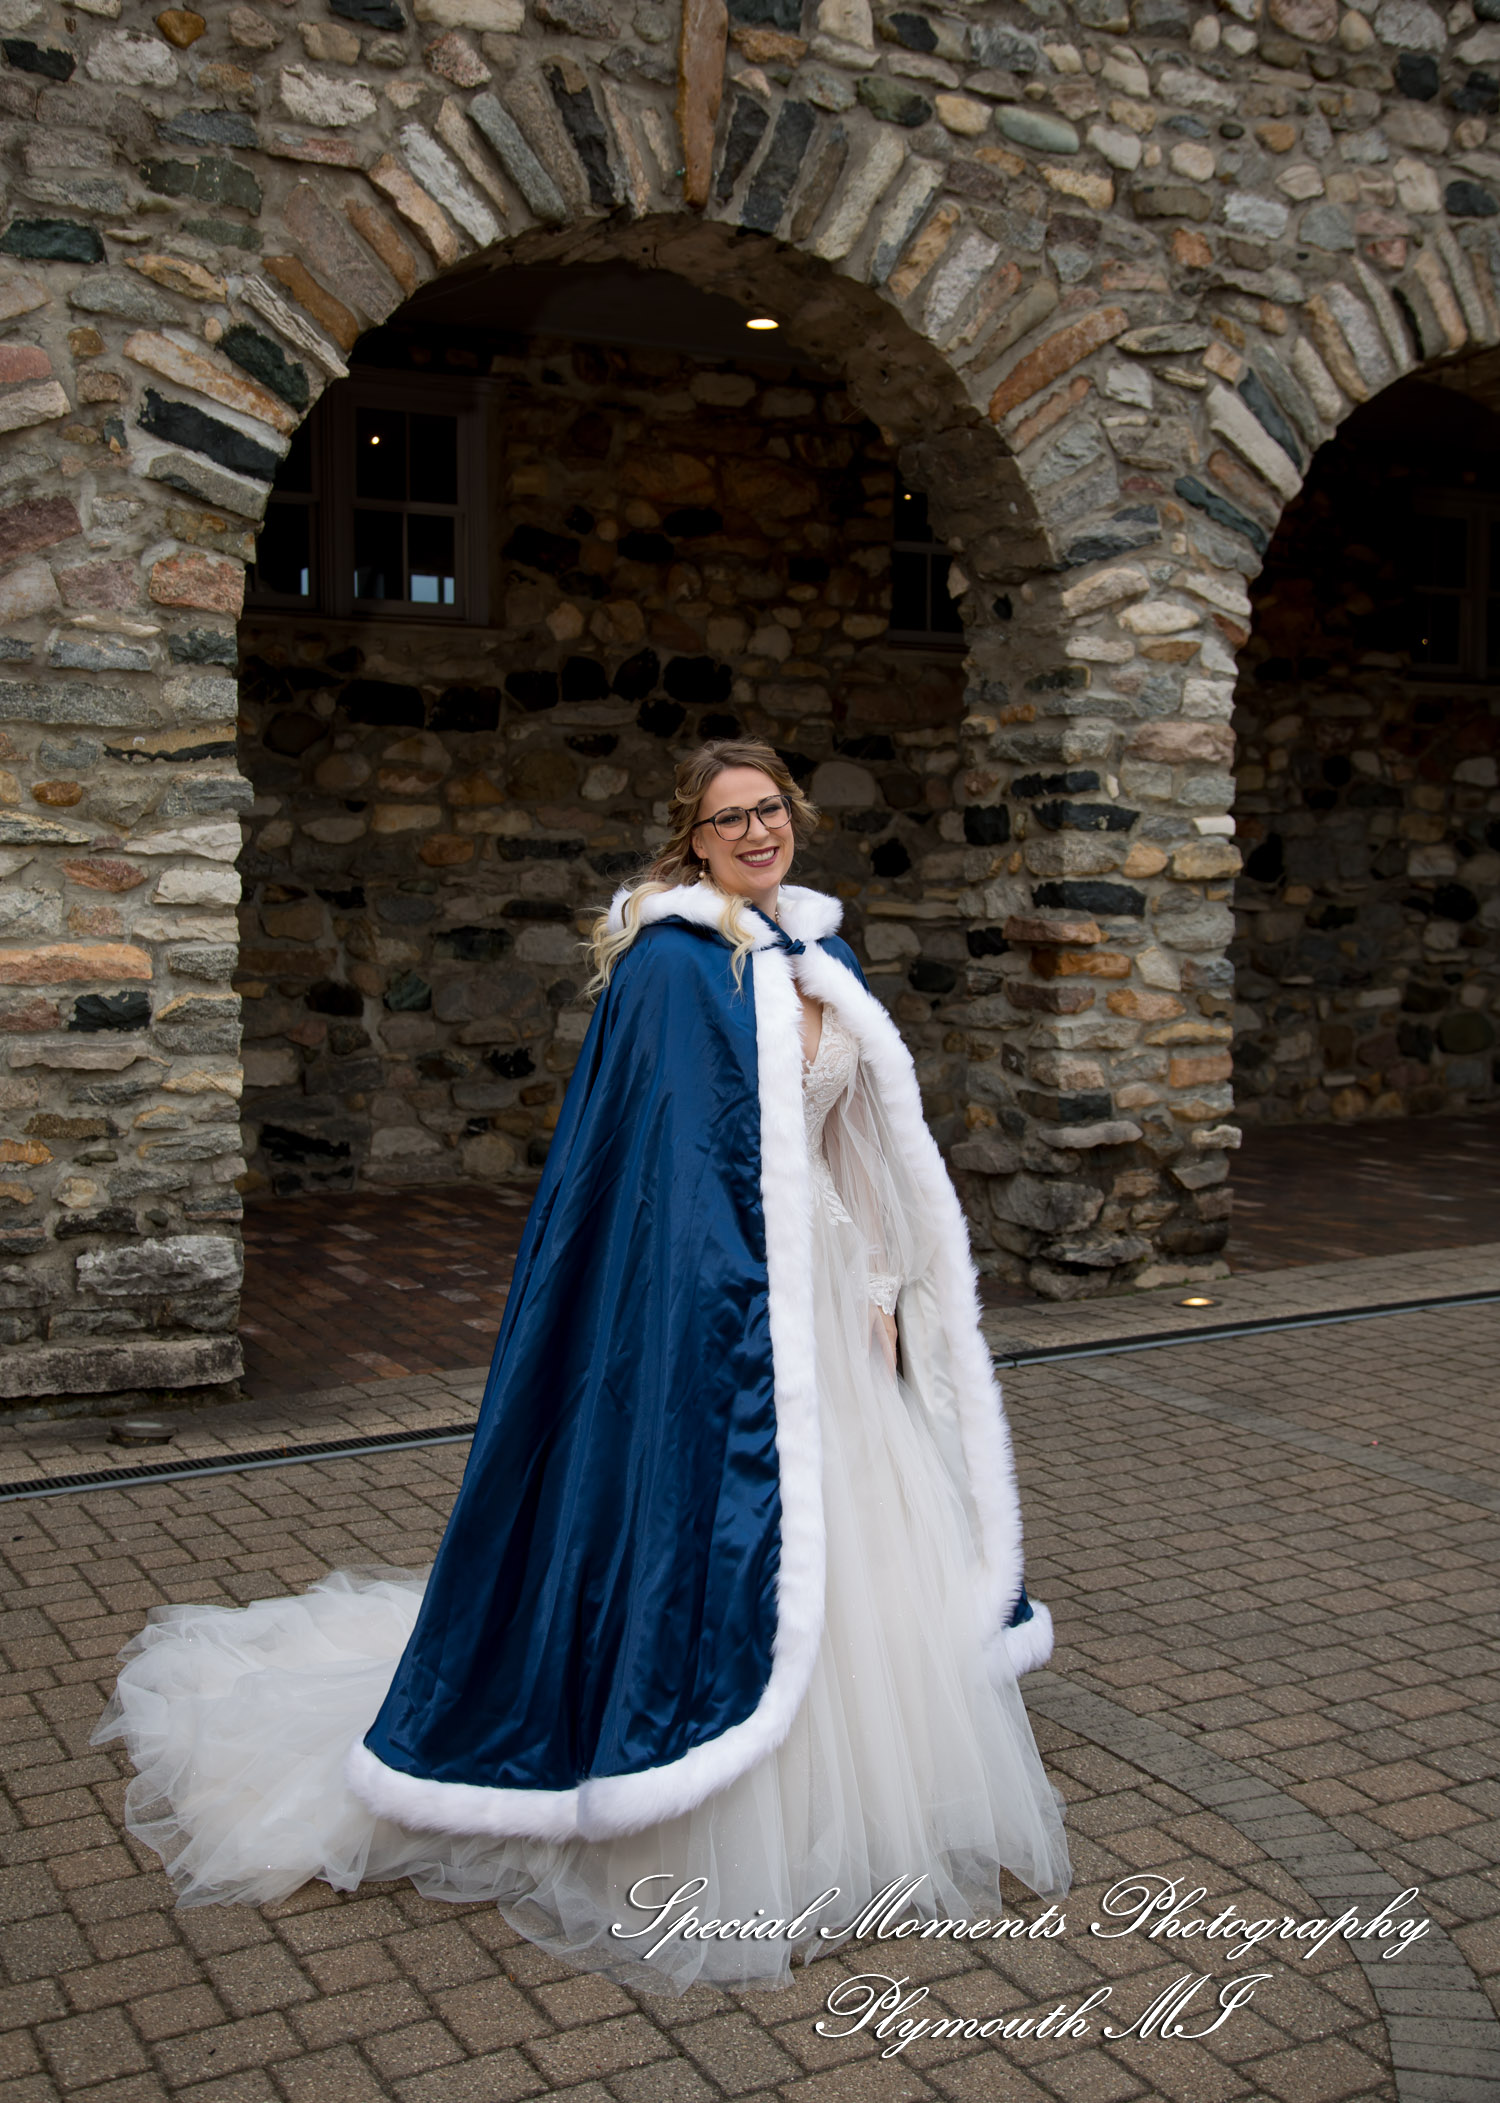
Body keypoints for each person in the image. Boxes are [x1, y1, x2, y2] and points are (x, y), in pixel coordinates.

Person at [95, 738, 1071, 1994]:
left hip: (828, 1298)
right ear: (694, 838)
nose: (758, 832)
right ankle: (708, 1799)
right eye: (731, 819)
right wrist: (714, 1315)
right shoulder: (674, 966)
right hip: (718, 1314)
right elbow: (657, 1183)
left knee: (850, 1537)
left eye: (771, 809)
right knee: (732, 1535)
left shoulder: (817, 950)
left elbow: (855, 1150)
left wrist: (883, 1290)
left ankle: (855, 1783)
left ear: (796, 818)